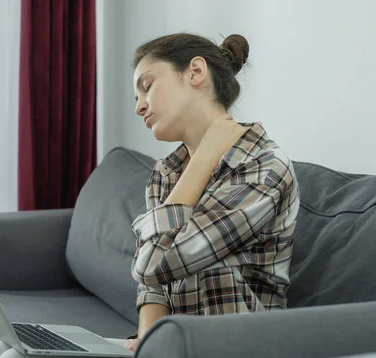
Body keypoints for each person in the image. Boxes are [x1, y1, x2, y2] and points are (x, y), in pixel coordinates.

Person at [124, 33, 300, 352]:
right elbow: (151, 284)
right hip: (171, 345)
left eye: (146, 86)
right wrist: (146, 345)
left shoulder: (264, 168)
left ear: (195, 72)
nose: (139, 107)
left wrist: (205, 157)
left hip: (238, 346)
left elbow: (153, 263)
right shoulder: (165, 173)